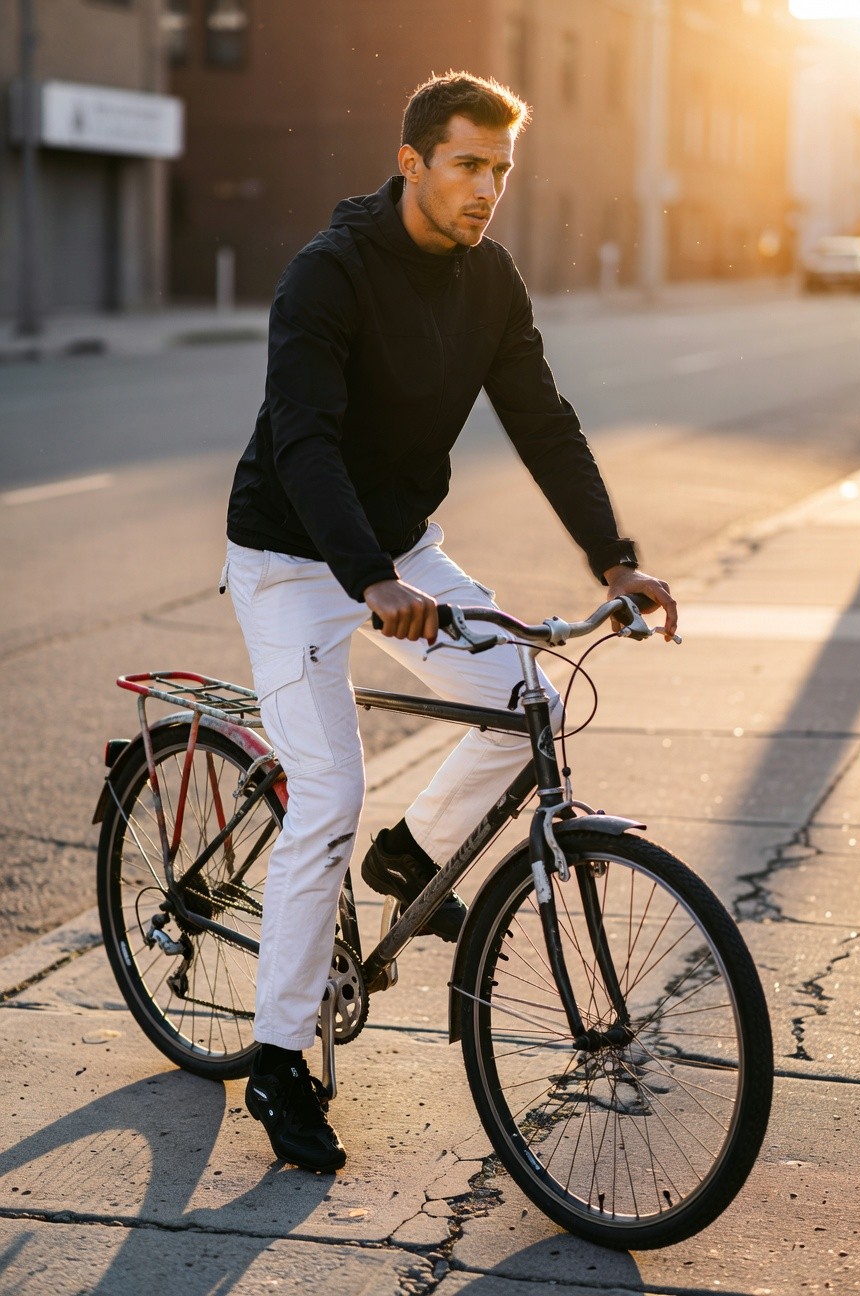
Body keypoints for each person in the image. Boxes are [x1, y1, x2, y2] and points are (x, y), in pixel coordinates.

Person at [223, 71, 677, 1173]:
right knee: (326, 789)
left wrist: (615, 560)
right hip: (291, 556)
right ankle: (279, 1057)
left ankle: (408, 859)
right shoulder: (326, 276)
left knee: (531, 697)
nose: (488, 190)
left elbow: (543, 418)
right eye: (470, 165)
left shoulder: (490, 281)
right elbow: (305, 441)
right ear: (414, 157)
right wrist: (370, 579)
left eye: (503, 172)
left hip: (400, 550)